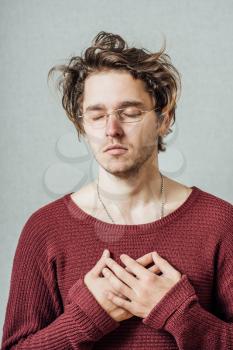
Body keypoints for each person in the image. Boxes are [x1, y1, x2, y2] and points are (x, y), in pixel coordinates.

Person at [1, 31, 233, 350]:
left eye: (130, 113)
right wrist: (87, 317)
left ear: (163, 120)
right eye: (97, 115)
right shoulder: (45, 229)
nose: (112, 129)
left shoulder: (220, 222)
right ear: (82, 126)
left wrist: (179, 313)